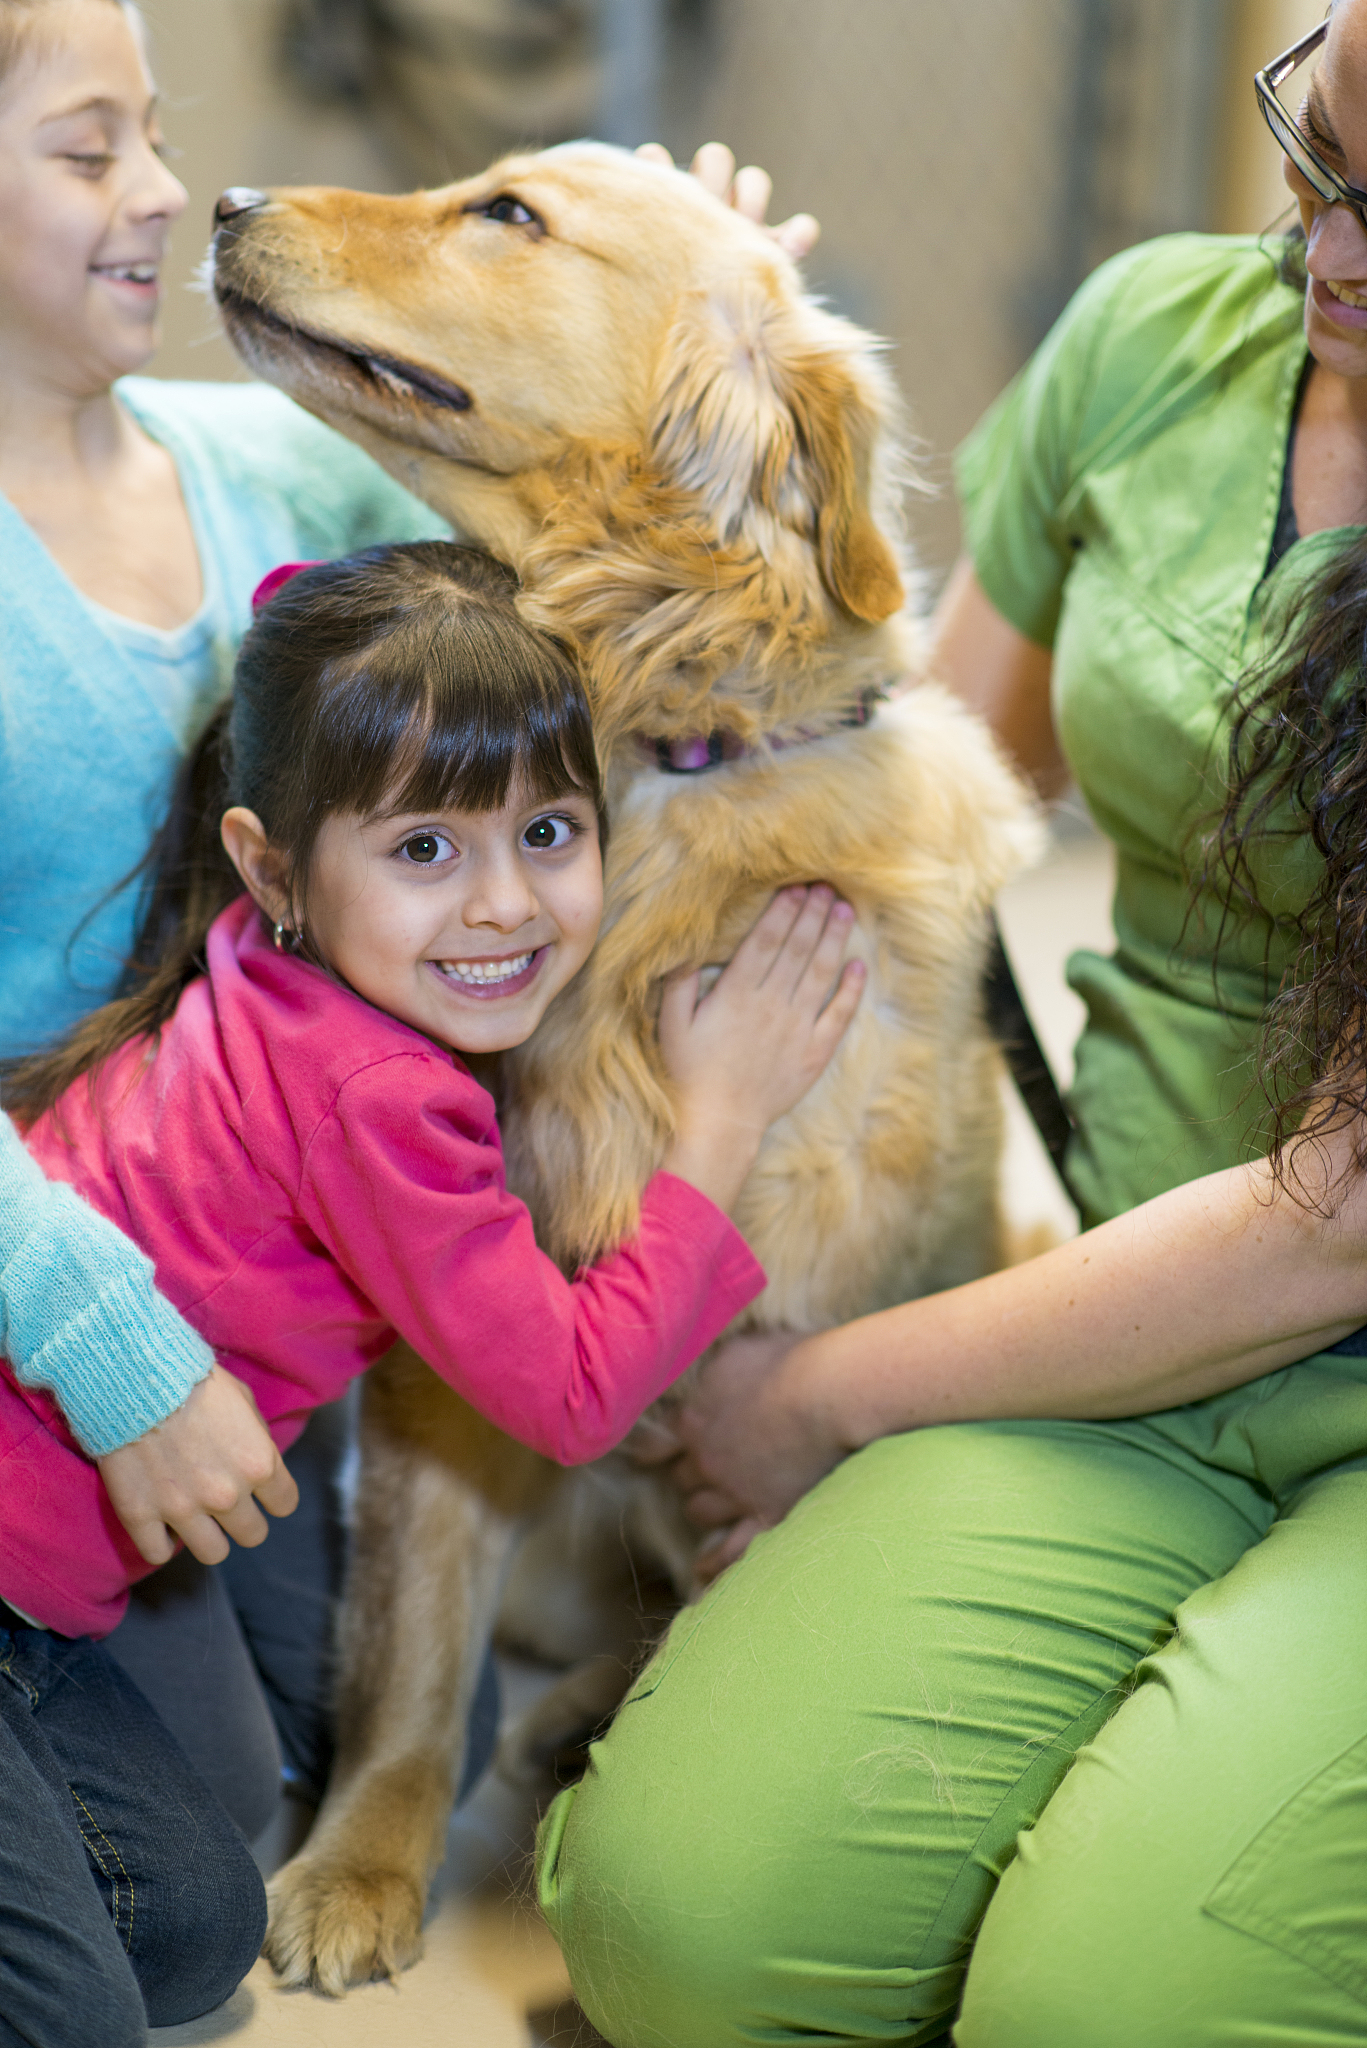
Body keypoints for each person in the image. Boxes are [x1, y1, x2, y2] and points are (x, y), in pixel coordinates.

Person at [535, 7, 1367, 2045]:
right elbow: (907, 776)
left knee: (1110, 2005)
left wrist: (813, 1391)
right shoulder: (1169, 338)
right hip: (1129, 1308)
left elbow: (1338, 1213)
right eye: (1322, 142)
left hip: (1314, 1273)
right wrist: (698, 395)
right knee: (677, 1918)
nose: (1330, 246)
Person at [0, 538, 862, 2040]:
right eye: (425, 851)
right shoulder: (382, 1100)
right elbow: (577, 1392)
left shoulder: (264, 972)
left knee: (195, 1938)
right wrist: (720, 1115)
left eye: (549, 830)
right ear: (271, 866)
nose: (505, 905)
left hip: (50, 1581)